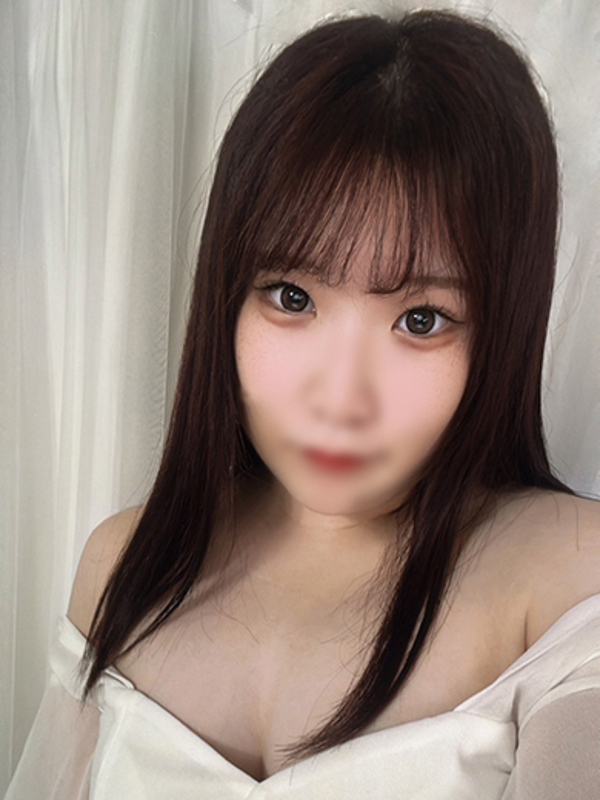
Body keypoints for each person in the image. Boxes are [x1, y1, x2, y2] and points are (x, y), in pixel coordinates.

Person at [6, 8, 600, 800]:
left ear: (502, 330)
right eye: (292, 297)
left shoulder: (566, 579)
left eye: (421, 320)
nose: (340, 395)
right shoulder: (127, 564)